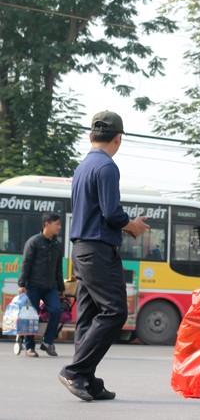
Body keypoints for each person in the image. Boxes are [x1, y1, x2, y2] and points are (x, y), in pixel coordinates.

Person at [58, 110, 150, 402]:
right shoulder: (107, 167)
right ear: (118, 138)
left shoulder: (84, 165)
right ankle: (74, 371)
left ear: (91, 136)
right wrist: (133, 226)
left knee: (88, 315)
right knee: (115, 311)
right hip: (98, 250)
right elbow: (111, 213)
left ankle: (86, 378)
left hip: (81, 249)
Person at [17, 212, 65, 357]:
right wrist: (21, 284)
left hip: (50, 287)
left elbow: (58, 268)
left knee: (56, 311)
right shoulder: (34, 242)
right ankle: (29, 347)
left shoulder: (57, 245)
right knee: (31, 315)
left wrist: (61, 287)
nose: (59, 227)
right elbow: (26, 264)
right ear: (47, 224)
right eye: (57, 224)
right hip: (33, 286)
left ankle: (47, 342)